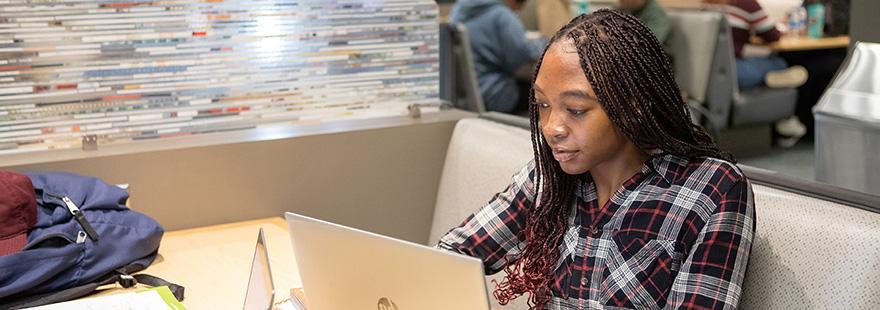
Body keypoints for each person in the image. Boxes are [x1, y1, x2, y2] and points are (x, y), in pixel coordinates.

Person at [438, 9, 755, 309]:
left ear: (634, 106)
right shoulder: (548, 179)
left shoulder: (711, 191)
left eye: (576, 110)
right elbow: (446, 260)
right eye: (542, 105)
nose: (551, 129)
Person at [703, 0, 808, 146]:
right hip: (734, 72)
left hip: (707, 71)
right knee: (781, 63)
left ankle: (770, 82)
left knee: (767, 58)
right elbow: (772, 35)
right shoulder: (747, 3)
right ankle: (771, 78)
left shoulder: (704, 4)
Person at [450, 0, 546, 114]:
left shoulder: (458, 10)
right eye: (520, 4)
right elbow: (519, 56)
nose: (519, 10)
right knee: (546, 92)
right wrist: (542, 43)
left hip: (464, 96)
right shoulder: (502, 15)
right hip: (494, 95)